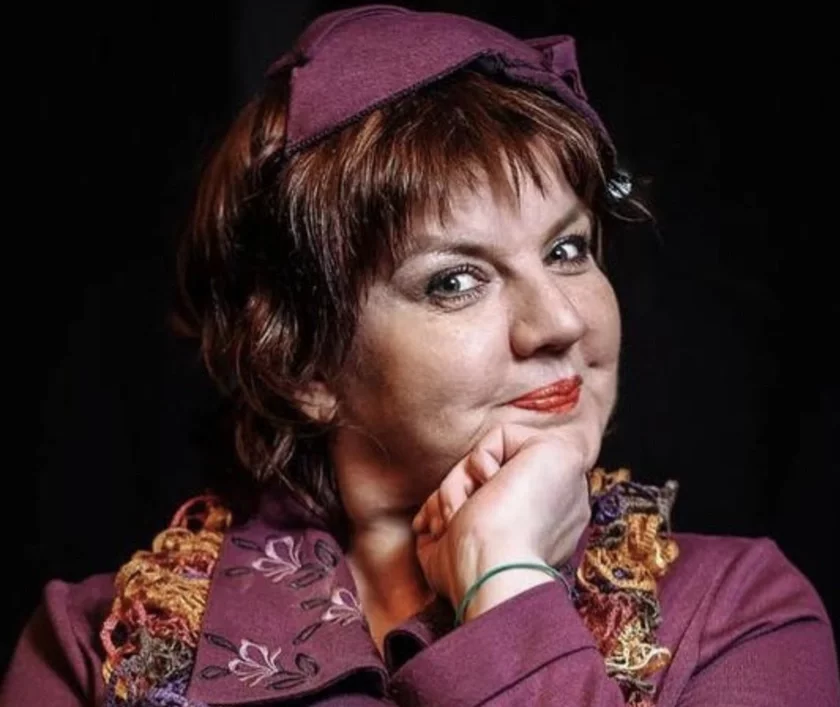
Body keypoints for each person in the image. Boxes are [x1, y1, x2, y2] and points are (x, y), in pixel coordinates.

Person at [4, 5, 838, 706]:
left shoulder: (738, 615)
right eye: (455, 281)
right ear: (304, 365)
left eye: (568, 249)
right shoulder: (98, 648)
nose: (558, 321)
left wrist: (506, 583)